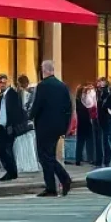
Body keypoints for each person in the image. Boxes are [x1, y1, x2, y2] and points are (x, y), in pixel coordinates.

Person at [28, 60, 73, 198]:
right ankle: (55, 185)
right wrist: (65, 127)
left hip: (44, 126)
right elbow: (68, 108)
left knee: (45, 157)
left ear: (44, 70)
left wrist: (30, 116)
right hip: (58, 127)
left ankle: (57, 183)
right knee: (50, 156)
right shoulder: (62, 86)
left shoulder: (42, 86)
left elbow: (37, 105)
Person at [0, 73, 28, 182]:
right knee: (1, 149)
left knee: (6, 149)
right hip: (1, 126)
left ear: (8, 82)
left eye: (4, 82)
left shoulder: (13, 94)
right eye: (0, 83)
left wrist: (12, 126)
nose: (2, 84)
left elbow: (16, 111)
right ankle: (11, 171)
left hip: (9, 127)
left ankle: (11, 172)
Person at [14, 75, 40, 174]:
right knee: (29, 145)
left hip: (21, 123)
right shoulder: (30, 94)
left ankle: (22, 164)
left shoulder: (20, 94)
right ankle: (30, 165)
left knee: (21, 144)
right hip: (28, 123)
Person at [74, 85, 94, 166]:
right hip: (87, 122)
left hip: (80, 123)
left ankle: (78, 159)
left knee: (80, 142)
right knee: (89, 141)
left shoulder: (77, 100)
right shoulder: (86, 100)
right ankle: (90, 158)